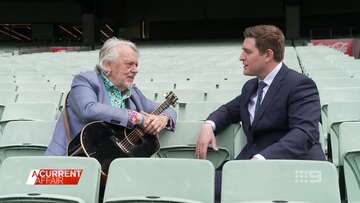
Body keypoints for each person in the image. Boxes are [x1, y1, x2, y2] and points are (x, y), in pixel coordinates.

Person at [195, 25, 325, 200]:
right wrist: (209, 125)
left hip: (289, 168)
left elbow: (305, 133)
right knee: (199, 186)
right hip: (250, 164)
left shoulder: (300, 84)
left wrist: (262, 159)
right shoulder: (251, 86)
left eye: (247, 52)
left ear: (268, 55)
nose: (241, 57)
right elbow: (228, 110)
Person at [45, 37, 176, 156]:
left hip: (109, 166)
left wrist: (163, 119)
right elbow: (88, 109)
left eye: (136, 65)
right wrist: (136, 118)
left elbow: (167, 108)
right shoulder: (85, 80)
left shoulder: (133, 91)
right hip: (68, 162)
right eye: (129, 64)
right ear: (108, 64)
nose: (136, 69)